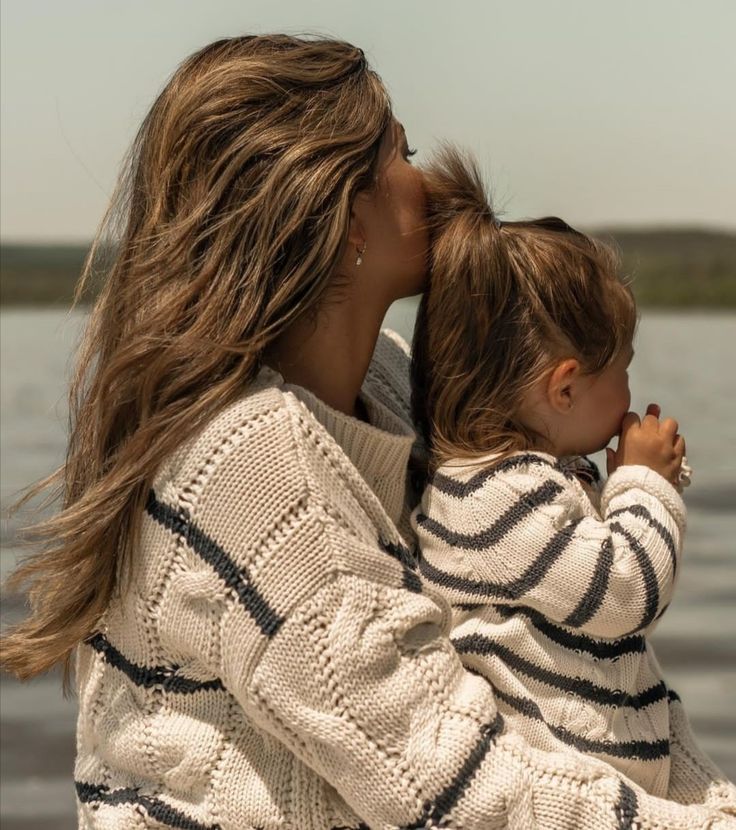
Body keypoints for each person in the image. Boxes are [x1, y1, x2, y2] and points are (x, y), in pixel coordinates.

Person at [1, 35, 733, 830]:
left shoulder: (384, 381)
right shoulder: (248, 465)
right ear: (346, 211)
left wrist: (705, 800)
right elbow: (457, 790)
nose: (425, 179)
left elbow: (584, 668)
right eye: (401, 149)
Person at [411, 149, 736, 805]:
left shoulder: (528, 484)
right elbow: (625, 594)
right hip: (570, 801)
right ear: (564, 388)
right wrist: (646, 487)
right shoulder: (494, 498)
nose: (629, 390)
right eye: (621, 368)